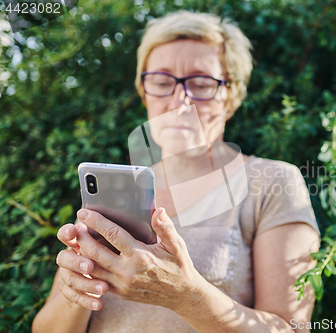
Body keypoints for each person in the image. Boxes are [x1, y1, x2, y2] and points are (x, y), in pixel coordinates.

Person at [32, 10, 320, 333]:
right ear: (145, 92)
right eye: (161, 81)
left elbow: (290, 328)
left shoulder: (272, 183)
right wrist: (80, 288)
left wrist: (184, 296)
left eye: (200, 83)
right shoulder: (116, 190)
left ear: (231, 95)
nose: (180, 100)